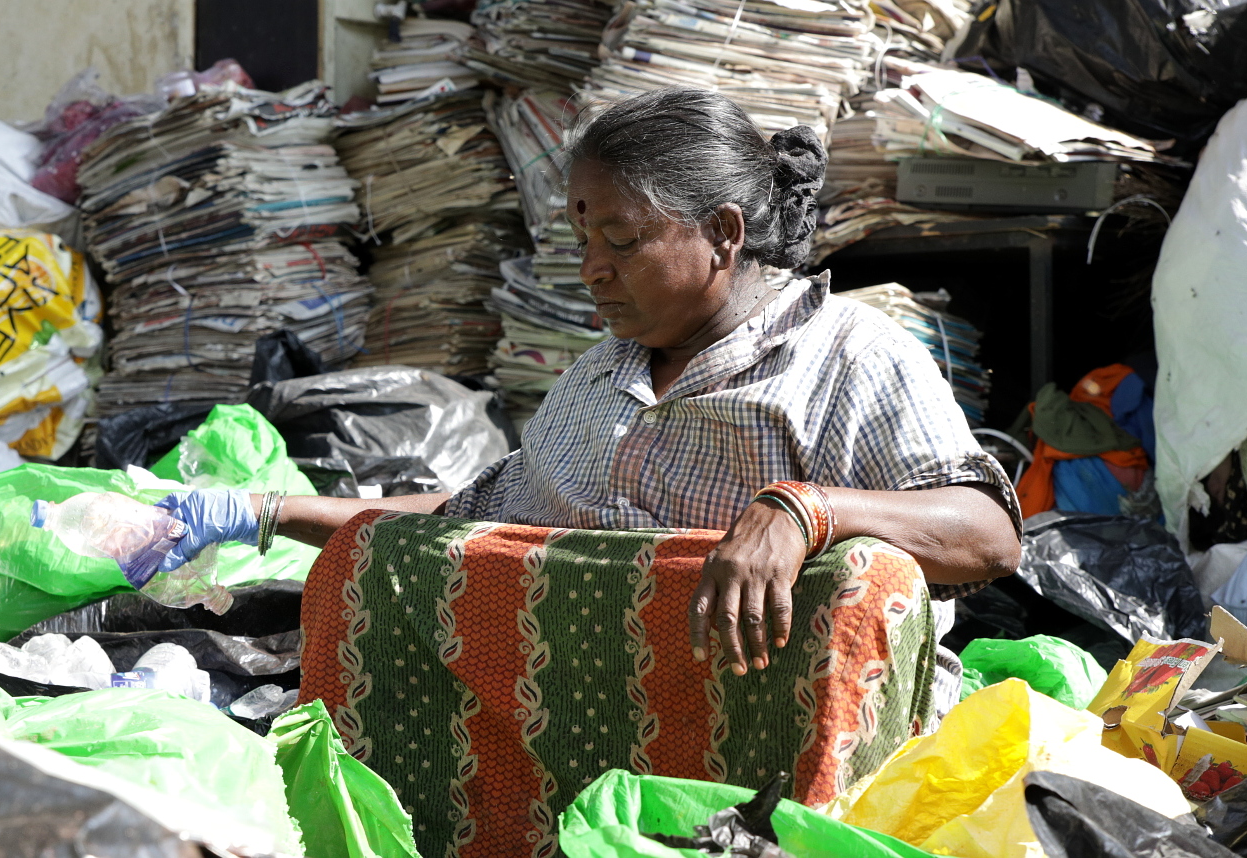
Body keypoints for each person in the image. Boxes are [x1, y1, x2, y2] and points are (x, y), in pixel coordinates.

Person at [153, 88, 1023, 837]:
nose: (591, 270)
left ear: (722, 233)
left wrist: (805, 511)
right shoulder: (598, 377)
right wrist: (258, 513)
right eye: (582, 236)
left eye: (621, 238)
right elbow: (470, 526)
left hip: (765, 766)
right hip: (576, 752)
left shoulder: (845, 354)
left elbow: (987, 535)